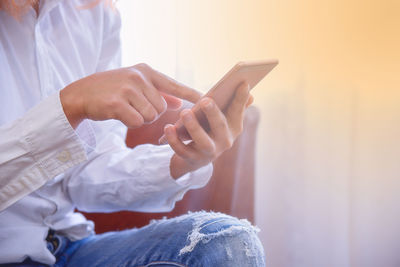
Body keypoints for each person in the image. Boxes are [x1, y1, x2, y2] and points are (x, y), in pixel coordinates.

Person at [0, 0, 266, 266]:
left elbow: (84, 175)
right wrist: (70, 106)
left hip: (67, 246)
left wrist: (180, 161)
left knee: (228, 242)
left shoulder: (94, 13)